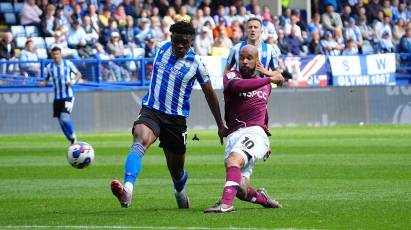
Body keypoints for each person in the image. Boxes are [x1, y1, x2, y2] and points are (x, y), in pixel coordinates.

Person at [110, 21, 226, 209]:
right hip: (151, 111)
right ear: (170, 37)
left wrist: (220, 125)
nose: (180, 46)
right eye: (176, 41)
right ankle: (128, 190)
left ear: (191, 42)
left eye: (185, 43)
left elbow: (210, 94)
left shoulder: (197, 64)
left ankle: (179, 190)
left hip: (176, 120)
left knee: (177, 171)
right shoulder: (160, 49)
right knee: (139, 139)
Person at [204, 45, 283, 213]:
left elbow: (263, 111)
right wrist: (269, 78)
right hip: (234, 134)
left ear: (257, 61)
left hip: (254, 132)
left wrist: (265, 140)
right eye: (242, 58)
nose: (244, 61)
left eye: (249, 58)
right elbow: (239, 87)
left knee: (233, 161)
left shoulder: (265, 85)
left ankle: (225, 204)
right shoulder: (231, 76)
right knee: (241, 189)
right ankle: (263, 199)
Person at [40, 46, 82, 144]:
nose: (55, 56)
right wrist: (44, 84)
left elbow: (78, 74)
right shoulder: (49, 67)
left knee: (64, 117)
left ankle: (74, 136)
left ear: (61, 54)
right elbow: (46, 80)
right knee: (61, 121)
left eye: (57, 54)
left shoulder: (68, 64)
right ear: (51, 55)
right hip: (57, 97)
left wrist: (72, 81)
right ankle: (71, 140)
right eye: (54, 54)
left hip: (68, 96)